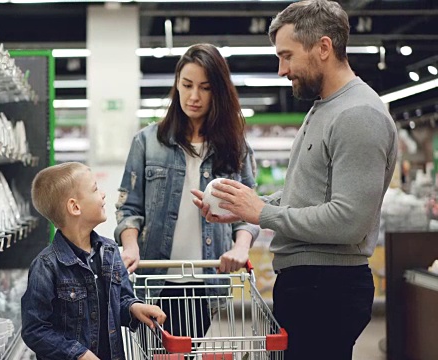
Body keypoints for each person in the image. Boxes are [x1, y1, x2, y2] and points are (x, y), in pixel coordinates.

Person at [191, 1, 398, 359]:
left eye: (287, 56)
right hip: (310, 285)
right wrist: (246, 208)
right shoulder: (326, 107)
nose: (281, 70)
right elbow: (309, 197)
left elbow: (349, 221)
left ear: (323, 47)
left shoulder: (358, 114)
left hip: (328, 289)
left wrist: (262, 214)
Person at [115, 43, 259, 339]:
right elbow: (129, 208)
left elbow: (249, 212)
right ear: (177, 85)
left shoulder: (235, 148)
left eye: (205, 88)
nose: (194, 96)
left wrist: (240, 247)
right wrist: (130, 246)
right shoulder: (147, 142)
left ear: (217, 92)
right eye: (187, 85)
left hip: (204, 283)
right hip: (153, 280)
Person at [21, 162, 166, 360]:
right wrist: (78, 354)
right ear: (74, 206)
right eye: (95, 189)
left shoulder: (110, 251)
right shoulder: (46, 266)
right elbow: (35, 330)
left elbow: (121, 299)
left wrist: (135, 307)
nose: (103, 194)